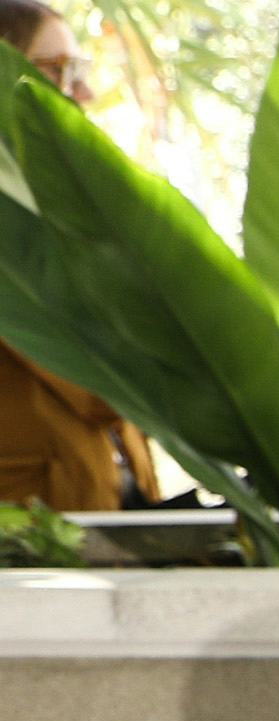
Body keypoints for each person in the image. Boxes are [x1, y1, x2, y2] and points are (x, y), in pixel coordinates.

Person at [0, 1, 161, 512]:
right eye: (59, 70)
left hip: (101, 501)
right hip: (35, 525)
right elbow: (104, 383)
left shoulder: (45, 195)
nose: (84, 93)